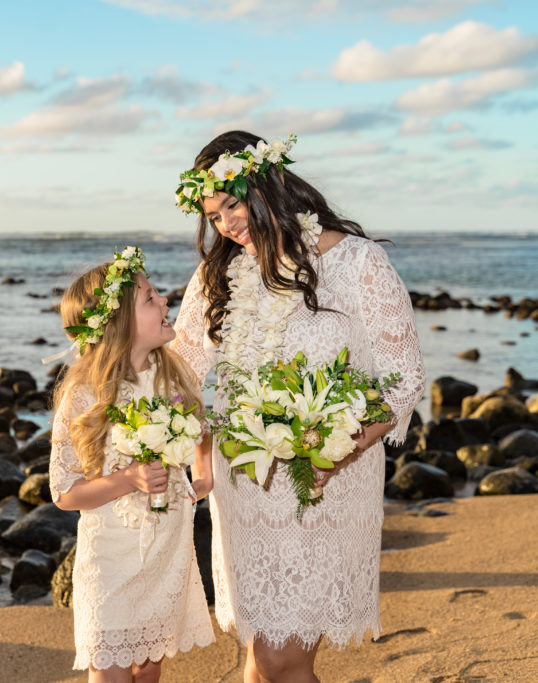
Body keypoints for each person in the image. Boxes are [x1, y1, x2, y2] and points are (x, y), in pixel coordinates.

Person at [171, 131, 426, 682]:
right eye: (213, 216)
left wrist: (342, 446)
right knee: (261, 654)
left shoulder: (358, 262)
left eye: (232, 205)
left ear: (268, 184)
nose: (226, 225)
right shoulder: (219, 274)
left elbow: (403, 377)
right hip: (243, 486)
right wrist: (186, 440)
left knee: (281, 661)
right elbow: (181, 368)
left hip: (327, 483)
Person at [49, 246, 215, 683]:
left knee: (149, 672)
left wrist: (204, 475)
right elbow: (66, 494)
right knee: (113, 674)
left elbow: (202, 426)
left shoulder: (171, 376)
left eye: (158, 294)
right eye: (150, 297)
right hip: (111, 560)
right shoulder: (84, 395)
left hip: (166, 552)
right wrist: (127, 478)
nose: (164, 301)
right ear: (119, 322)